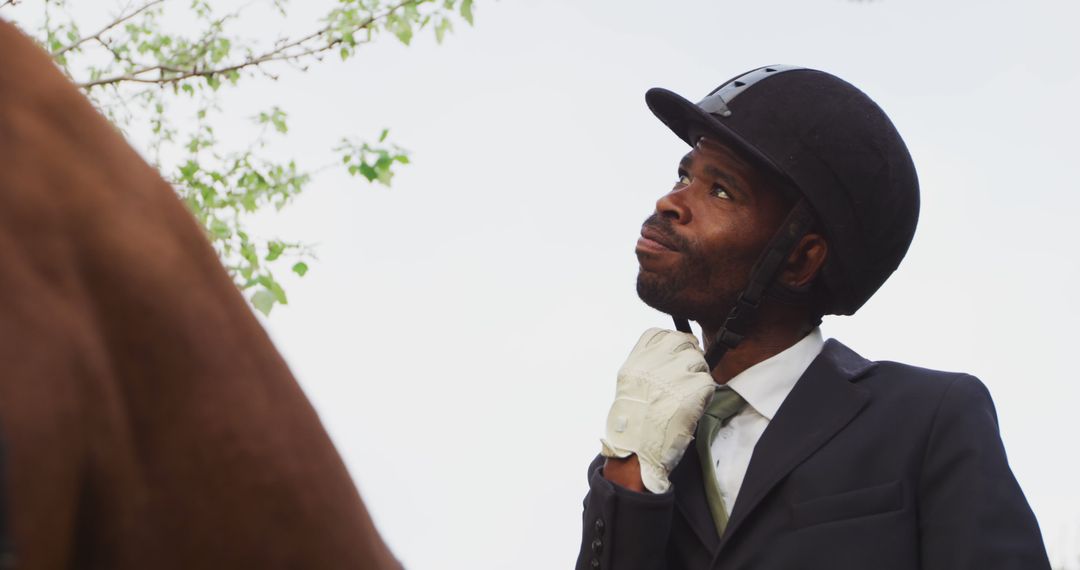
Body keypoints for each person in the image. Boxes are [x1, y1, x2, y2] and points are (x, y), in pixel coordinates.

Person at [575, 65, 1050, 569]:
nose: (670, 202)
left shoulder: (928, 418)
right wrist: (632, 469)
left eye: (720, 191)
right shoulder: (645, 445)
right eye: (684, 175)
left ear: (802, 259)